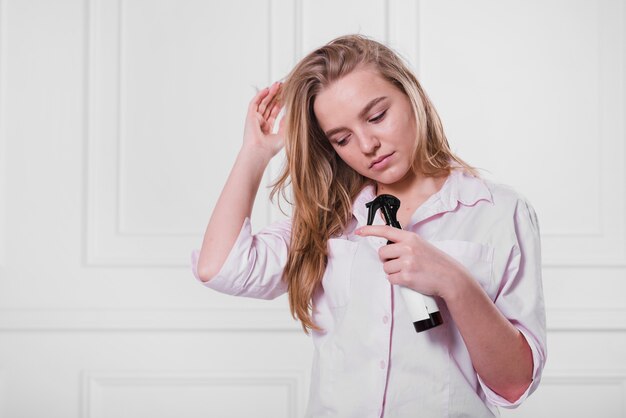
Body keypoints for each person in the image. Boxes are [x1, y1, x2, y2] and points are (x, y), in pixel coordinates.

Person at [190, 33, 546, 417]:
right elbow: (220, 268)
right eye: (342, 139)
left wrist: (454, 283)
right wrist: (255, 153)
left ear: (411, 95)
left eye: (377, 116)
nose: (366, 145)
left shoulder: (500, 212)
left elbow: (513, 384)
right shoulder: (326, 219)